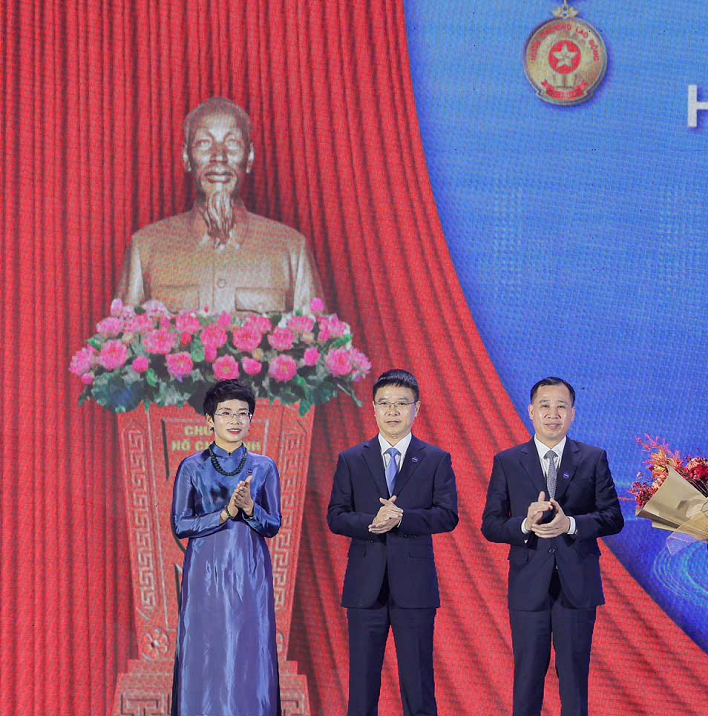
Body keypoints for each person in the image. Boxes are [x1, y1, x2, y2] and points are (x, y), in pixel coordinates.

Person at [480, 377, 624, 716]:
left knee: (574, 680)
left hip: (577, 585)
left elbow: (613, 518)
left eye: (561, 406)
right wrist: (525, 524)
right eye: (545, 405)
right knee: (527, 679)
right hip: (528, 585)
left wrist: (570, 524)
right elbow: (490, 524)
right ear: (531, 411)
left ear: (573, 414)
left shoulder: (592, 458)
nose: (553, 413)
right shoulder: (508, 461)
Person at [327, 369, 461, 716]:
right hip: (364, 588)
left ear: (416, 408)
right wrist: (371, 523)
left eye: (402, 403)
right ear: (373, 409)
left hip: (414, 589)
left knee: (418, 688)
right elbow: (336, 516)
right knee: (362, 690)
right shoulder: (352, 459)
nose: (393, 411)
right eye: (385, 403)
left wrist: (403, 518)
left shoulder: (435, 459)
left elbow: (448, 515)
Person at [117, 97, 320, 316]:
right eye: (204, 143)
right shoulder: (146, 248)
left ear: (249, 157)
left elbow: (316, 334)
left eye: (232, 143)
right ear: (186, 157)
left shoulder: (291, 249)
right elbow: (123, 334)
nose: (219, 156)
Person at [172, 380, 283, 716]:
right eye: (226, 413)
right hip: (205, 574)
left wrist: (249, 508)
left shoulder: (264, 467)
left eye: (242, 414)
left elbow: (273, 525)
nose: (235, 420)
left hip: (250, 573)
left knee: (249, 649)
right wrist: (224, 514)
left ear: (251, 420)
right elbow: (181, 525)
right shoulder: (192, 466)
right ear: (210, 419)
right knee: (205, 650)